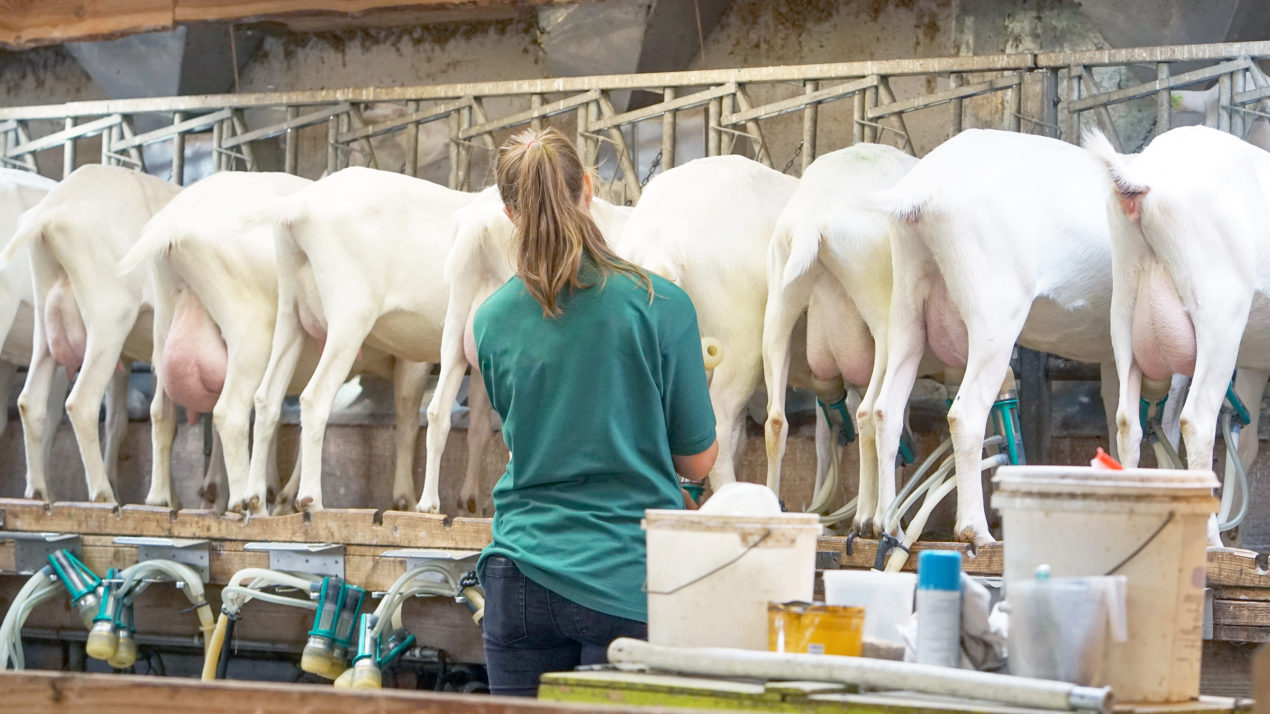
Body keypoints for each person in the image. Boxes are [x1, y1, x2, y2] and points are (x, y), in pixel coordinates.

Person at [471, 126, 718, 697]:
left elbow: (529, 436)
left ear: (510, 212)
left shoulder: (490, 321)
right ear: (588, 186)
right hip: (625, 581)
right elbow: (698, 461)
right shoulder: (662, 305)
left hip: (519, 575)